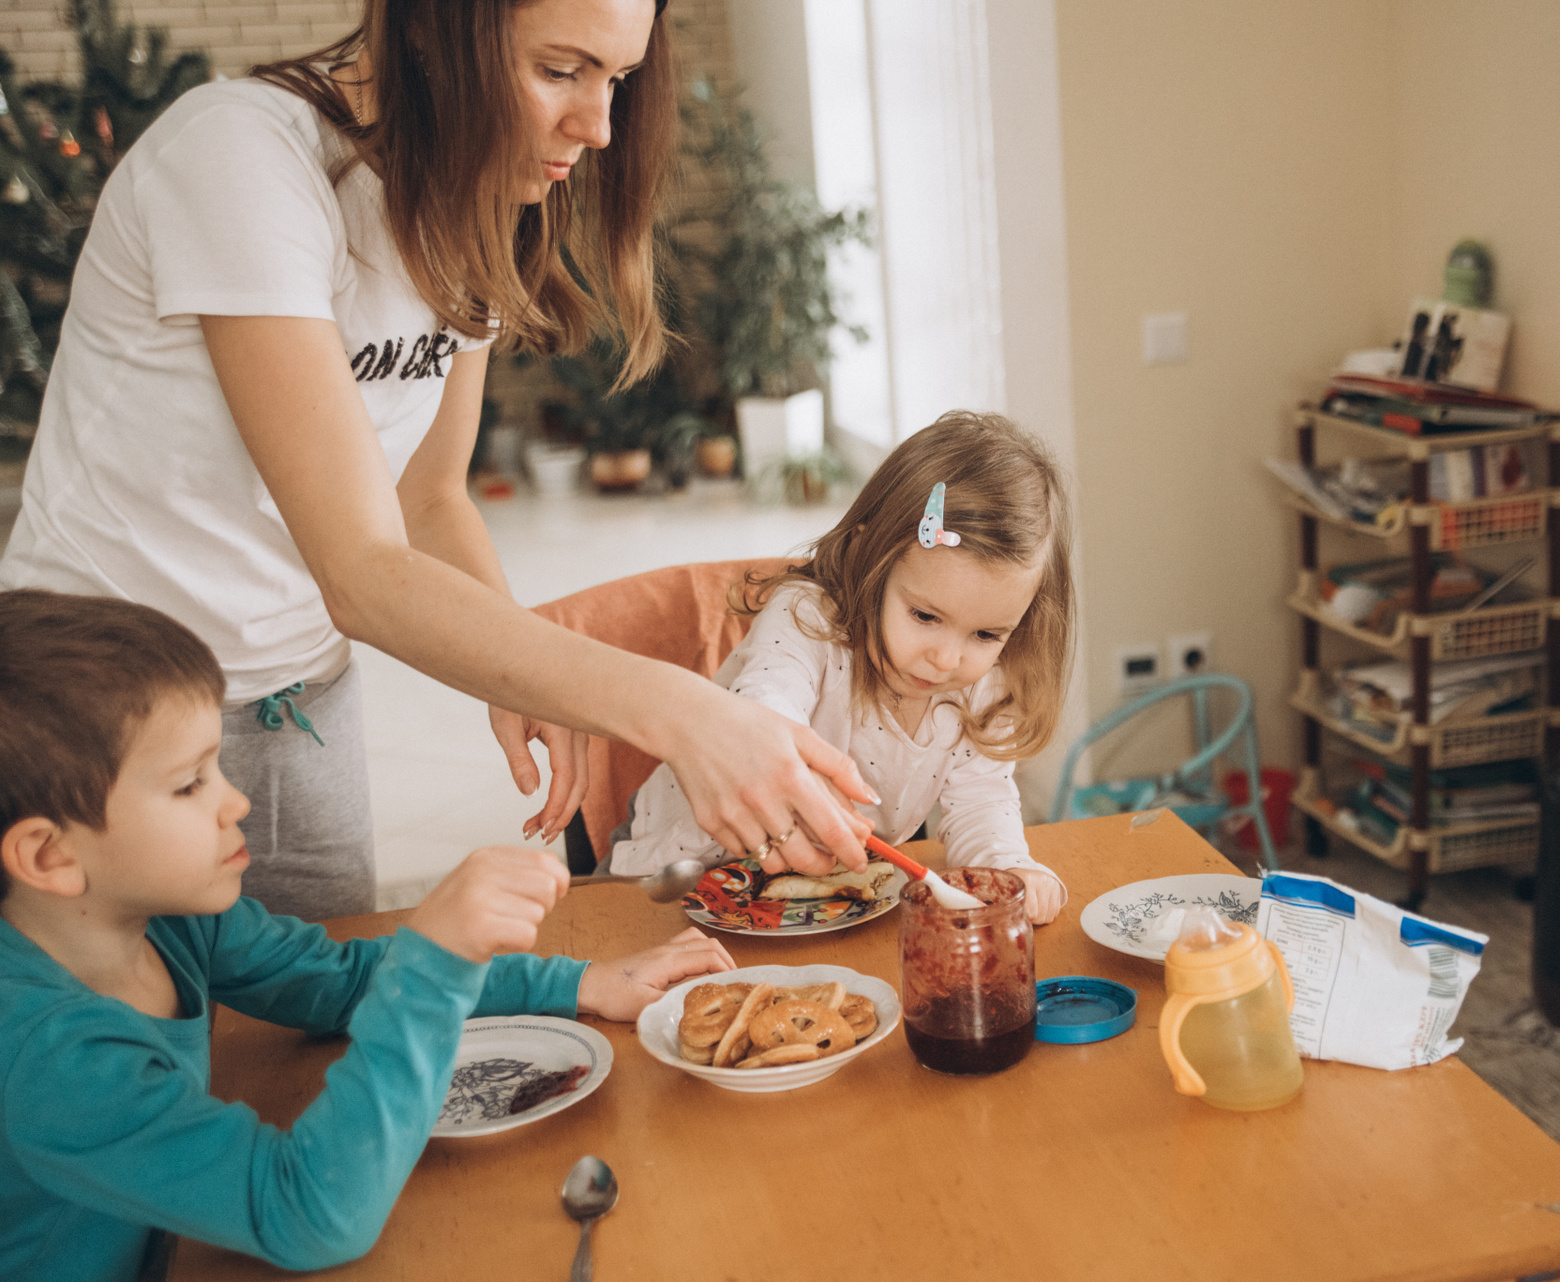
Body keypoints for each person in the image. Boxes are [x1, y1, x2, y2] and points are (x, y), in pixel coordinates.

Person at [0, 0, 873, 922]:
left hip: (300, 701)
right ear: (430, 24)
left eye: (617, 78)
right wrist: (684, 712)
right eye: (559, 71)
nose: (600, 127)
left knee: (317, 999)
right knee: (124, 1010)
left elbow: (428, 498)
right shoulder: (240, 156)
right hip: (101, 712)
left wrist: (540, 684)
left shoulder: (471, 197)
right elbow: (362, 571)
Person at [0, 589, 737, 1281]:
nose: (237, 802)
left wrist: (579, 983)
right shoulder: (47, 1056)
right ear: (49, 856)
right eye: (190, 784)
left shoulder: (171, 919)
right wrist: (434, 962)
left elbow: (340, 982)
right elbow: (309, 1215)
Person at [607, 412, 1074, 925]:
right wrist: (798, 779)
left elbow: (982, 803)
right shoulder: (807, 618)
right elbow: (763, 709)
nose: (946, 660)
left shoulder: (986, 685)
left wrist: (1008, 870)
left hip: (808, 904)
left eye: (986, 635)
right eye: (924, 616)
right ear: (867, 555)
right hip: (672, 871)